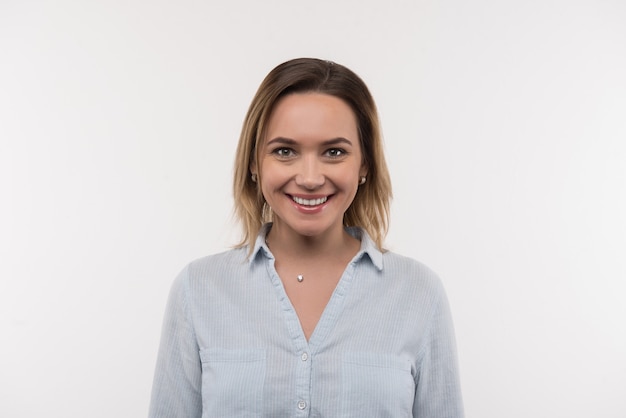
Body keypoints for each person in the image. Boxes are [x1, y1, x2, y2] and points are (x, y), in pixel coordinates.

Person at [149, 57, 464, 417]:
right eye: (285, 151)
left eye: (334, 152)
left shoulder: (419, 293)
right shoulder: (198, 289)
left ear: (364, 165)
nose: (310, 177)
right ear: (254, 162)